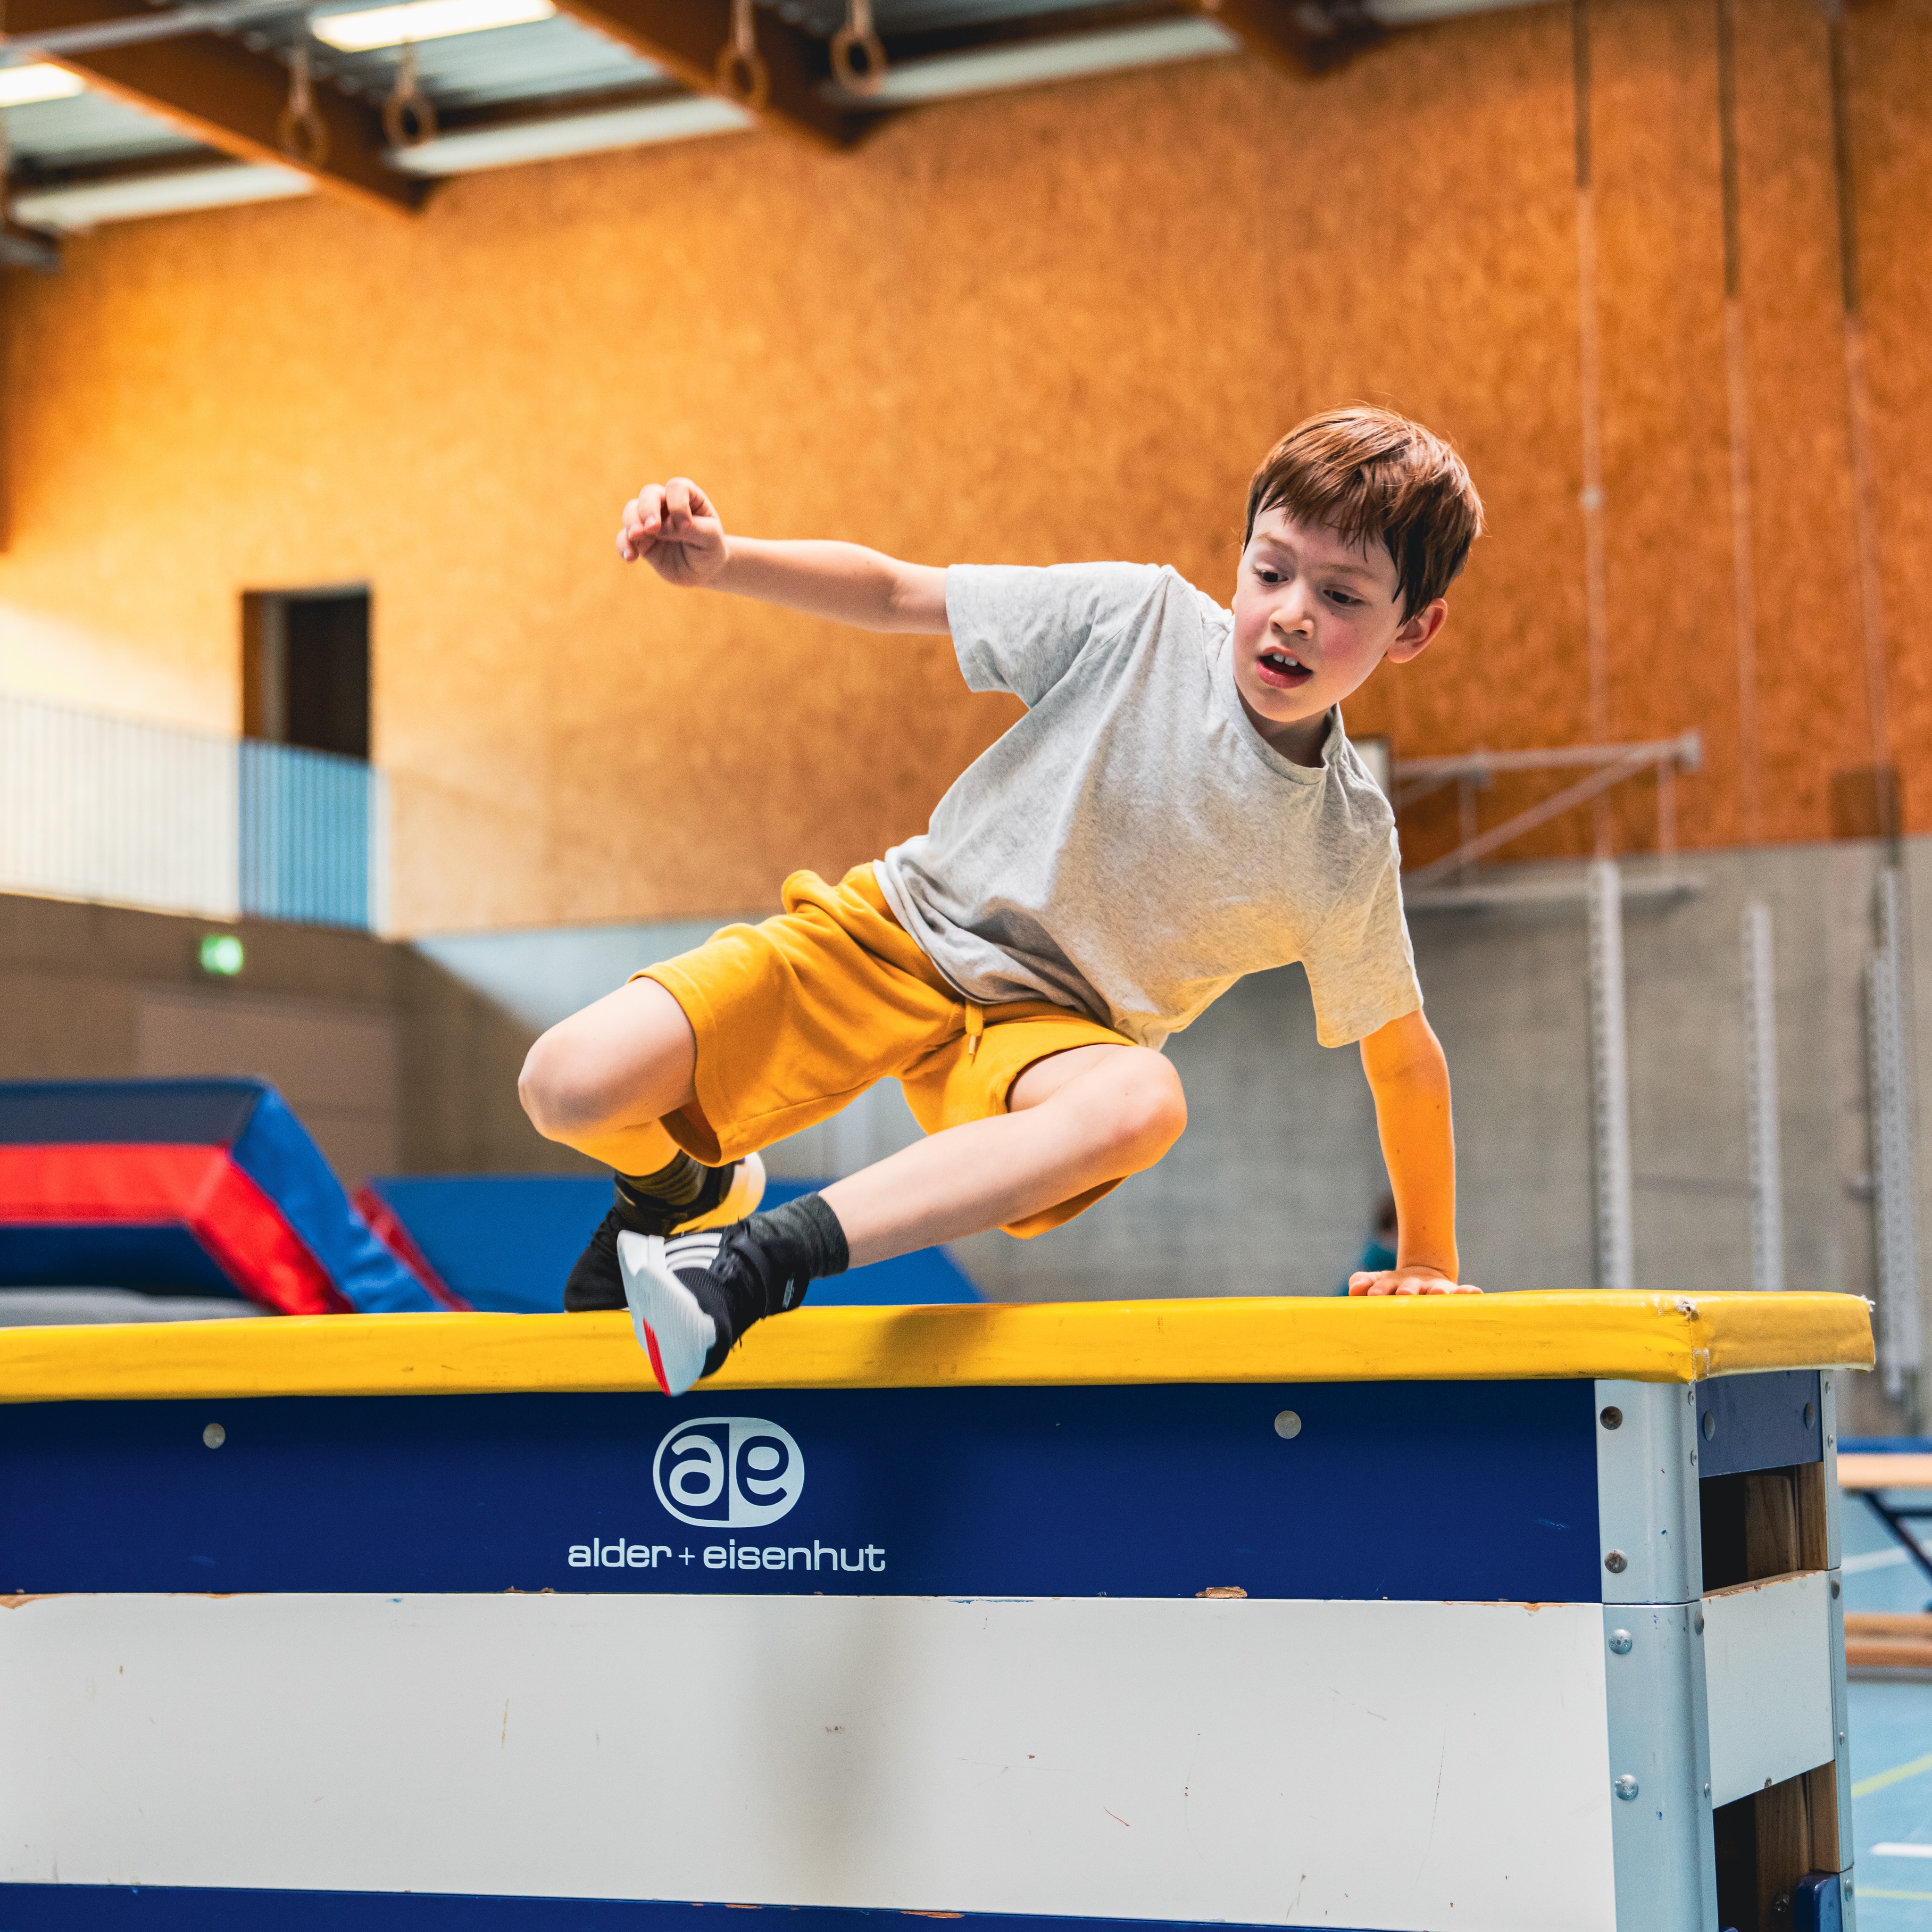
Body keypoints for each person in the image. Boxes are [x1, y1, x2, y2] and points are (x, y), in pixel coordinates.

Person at [519, 405, 1485, 1396]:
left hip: (1049, 1036)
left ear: (1413, 628)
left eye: (1340, 596)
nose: (1290, 613)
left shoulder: (1342, 840)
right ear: (1238, 559)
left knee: (1144, 1098)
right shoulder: (1137, 620)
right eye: (1270, 572)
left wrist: (1426, 1261)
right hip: (888, 936)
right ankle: (683, 1191)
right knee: (566, 1084)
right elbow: (900, 590)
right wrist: (727, 560)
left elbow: (1402, 1058)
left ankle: (757, 1261)